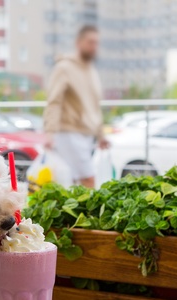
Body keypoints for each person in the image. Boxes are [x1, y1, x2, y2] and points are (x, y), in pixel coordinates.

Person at [44, 25, 109, 188]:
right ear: (78, 43)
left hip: (87, 136)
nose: (94, 47)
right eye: (90, 42)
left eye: (96, 43)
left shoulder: (91, 71)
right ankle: (93, 214)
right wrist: (49, 132)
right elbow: (54, 101)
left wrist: (100, 135)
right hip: (68, 133)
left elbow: (94, 106)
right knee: (88, 180)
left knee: (73, 184)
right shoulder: (64, 68)